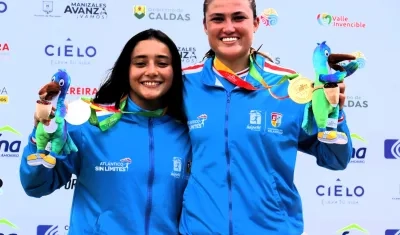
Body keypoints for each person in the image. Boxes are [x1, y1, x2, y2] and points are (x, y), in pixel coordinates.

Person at [179, 0, 353, 234]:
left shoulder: (290, 86)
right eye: (218, 18)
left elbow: (335, 158)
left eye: (238, 17)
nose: (228, 27)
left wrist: (334, 112)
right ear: (205, 25)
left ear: (256, 23)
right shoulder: (182, 84)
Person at [20, 29, 191, 235]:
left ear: (174, 71)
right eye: (140, 63)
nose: (152, 71)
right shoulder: (89, 124)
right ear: (126, 70)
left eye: (162, 63)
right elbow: (36, 185)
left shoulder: (189, 133)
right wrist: (42, 135)